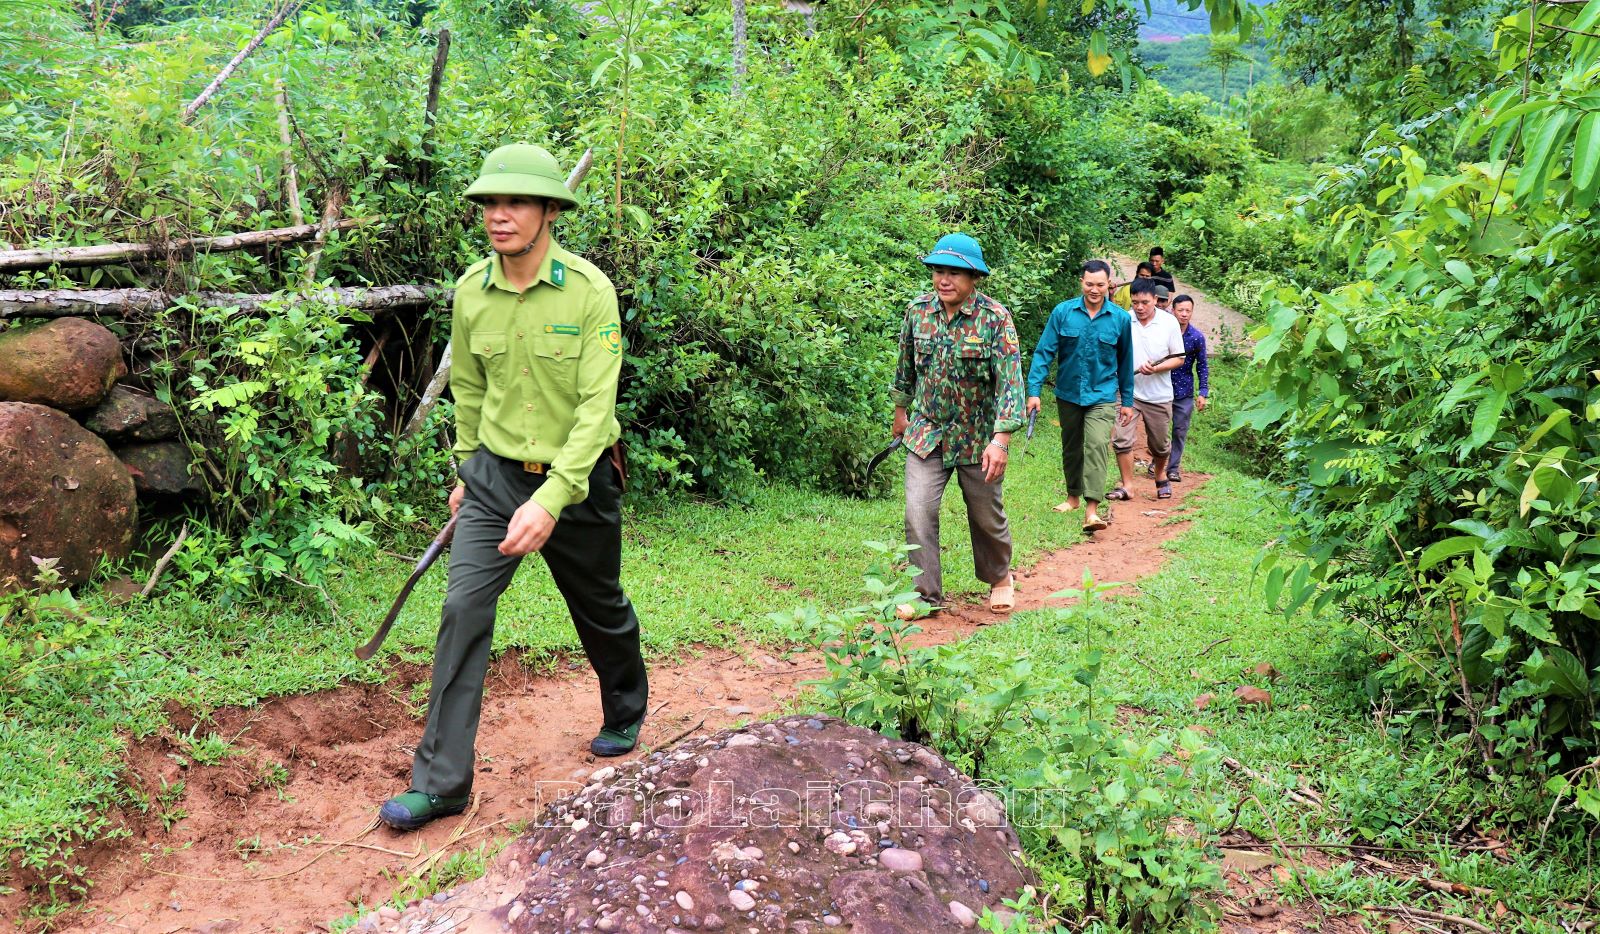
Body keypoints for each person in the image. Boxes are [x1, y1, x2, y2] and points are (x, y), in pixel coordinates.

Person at [379, 144, 648, 831]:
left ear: (550, 211)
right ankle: (442, 783)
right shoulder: (472, 291)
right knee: (462, 611)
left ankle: (625, 704)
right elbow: (468, 389)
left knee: (598, 604)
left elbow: (597, 409)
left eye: (516, 202)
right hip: (495, 477)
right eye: (490, 204)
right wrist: (469, 472)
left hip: (578, 480)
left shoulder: (589, 292)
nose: (499, 216)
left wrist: (553, 499)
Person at [890, 233, 1025, 613]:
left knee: (985, 514)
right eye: (938, 272)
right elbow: (905, 370)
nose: (944, 280)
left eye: (954, 273)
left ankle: (1000, 577)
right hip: (927, 432)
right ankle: (925, 596)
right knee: (917, 511)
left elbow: (1010, 381)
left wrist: (1000, 439)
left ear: (974, 278)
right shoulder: (918, 312)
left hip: (978, 437)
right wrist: (901, 413)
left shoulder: (995, 318)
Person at [1026, 259, 1134, 534]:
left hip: (1103, 394)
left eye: (1100, 284)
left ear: (1109, 284)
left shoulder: (1120, 319)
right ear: (1081, 283)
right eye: (1089, 284)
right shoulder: (1063, 313)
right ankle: (1072, 498)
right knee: (1072, 447)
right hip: (1069, 393)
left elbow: (1125, 361)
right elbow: (1044, 352)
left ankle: (1092, 510)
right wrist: (1034, 391)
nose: (1094, 290)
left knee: (1097, 445)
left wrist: (1128, 402)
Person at [1109, 278, 1185, 502]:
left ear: (1155, 300)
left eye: (1144, 302)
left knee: (1160, 446)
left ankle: (1161, 474)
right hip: (1127, 393)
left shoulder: (1169, 323)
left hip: (1159, 395)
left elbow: (1179, 358)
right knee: (1121, 440)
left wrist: (1157, 368)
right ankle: (1128, 485)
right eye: (1135, 303)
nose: (1140, 307)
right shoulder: (1124, 320)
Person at [1167, 293, 1209, 482]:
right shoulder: (1163, 331)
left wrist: (1203, 392)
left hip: (1184, 390)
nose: (1184, 314)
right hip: (1161, 388)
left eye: (1188, 311)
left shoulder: (1196, 337)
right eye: (1180, 310)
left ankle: (1173, 467)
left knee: (1180, 429)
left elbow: (1202, 366)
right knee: (1158, 430)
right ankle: (1157, 461)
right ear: (1172, 310)